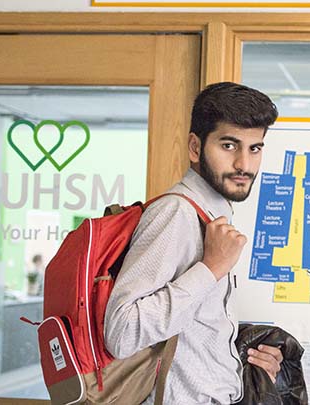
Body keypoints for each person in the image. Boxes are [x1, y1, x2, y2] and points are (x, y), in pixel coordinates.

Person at [104, 82, 283, 404]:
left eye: (255, 148)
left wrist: (244, 360)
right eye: (229, 146)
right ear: (195, 147)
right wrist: (211, 267)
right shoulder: (176, 213)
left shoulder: (214, 213)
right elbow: (122, 332)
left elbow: (192, 332)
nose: (244, 164)